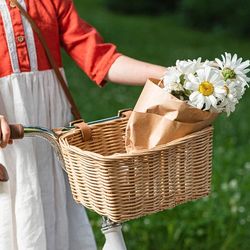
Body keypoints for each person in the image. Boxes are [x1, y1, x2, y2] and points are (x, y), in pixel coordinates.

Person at [0, 0, 166, 249]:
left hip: (49, 128)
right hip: (7, 135)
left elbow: (101, 59)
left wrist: (175, 75)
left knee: (51, 212)